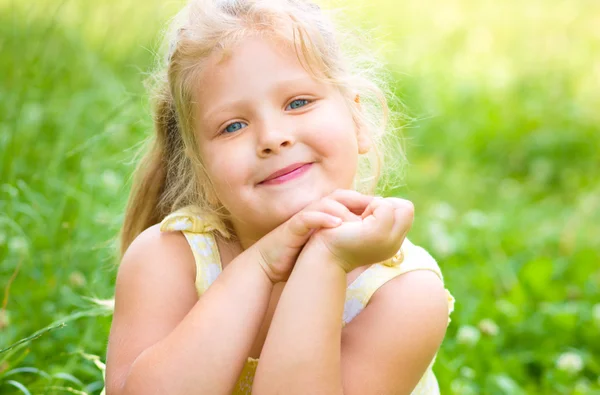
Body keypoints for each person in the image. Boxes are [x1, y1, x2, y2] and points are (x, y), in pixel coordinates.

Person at [104, 0, 455, 394]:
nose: (273, 137)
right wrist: (260, 265)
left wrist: (325, 261)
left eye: (298, 102)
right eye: (233, 126)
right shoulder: (169, 258)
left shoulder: (401, 293)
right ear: (200, 165)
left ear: (357, 120)